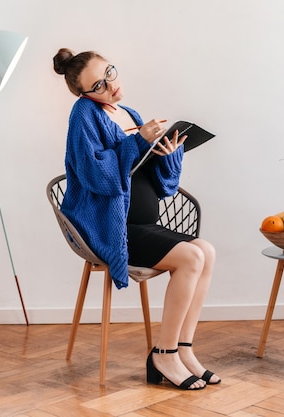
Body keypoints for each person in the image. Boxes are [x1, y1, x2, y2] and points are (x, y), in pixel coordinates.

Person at [52, 48, 219, 390]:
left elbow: (162, 186)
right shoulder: (83, 115)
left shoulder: (128, 112)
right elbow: (98, 176)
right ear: (84, 93)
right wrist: (138, 141)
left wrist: (168, 155)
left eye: (109, 74)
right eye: (98, 85)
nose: (109, 86)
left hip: (144, 224)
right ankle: (164, 354)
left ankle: (183, 350)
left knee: (207, 251)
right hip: (112, 227)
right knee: (191, 257)